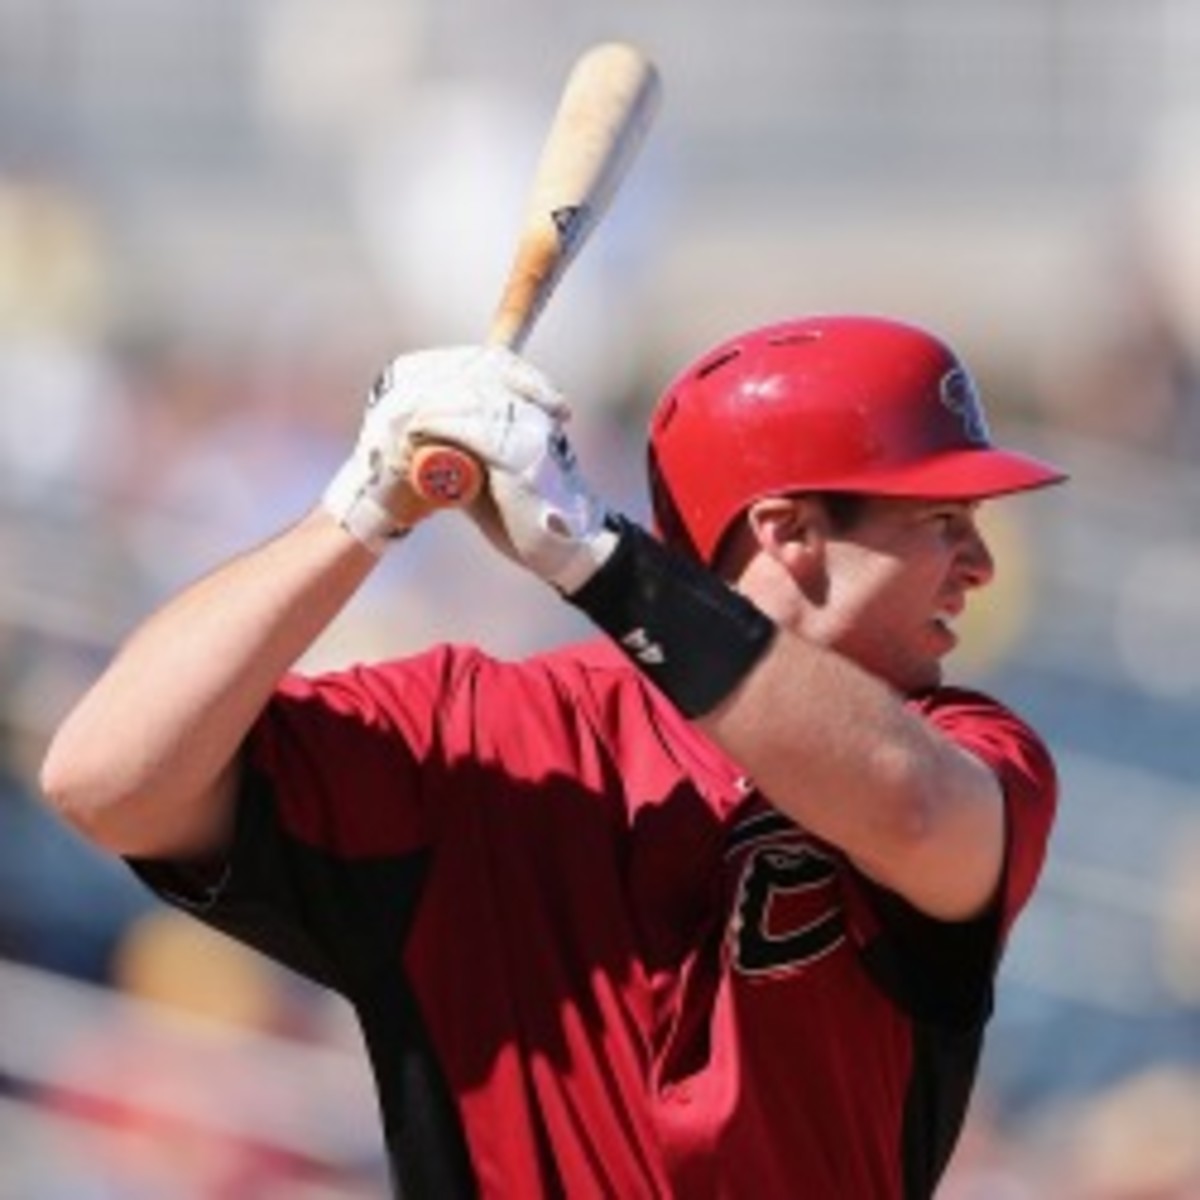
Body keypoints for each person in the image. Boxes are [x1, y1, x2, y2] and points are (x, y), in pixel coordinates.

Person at [40, 314, 1068, 1199]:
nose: (979, 565)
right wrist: (359, 508)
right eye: (943, 521)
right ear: (788, 530)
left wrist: (599, 557)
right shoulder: (478, 727)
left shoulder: (961, 744)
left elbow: (914, 811)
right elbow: (104, 778)